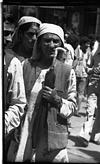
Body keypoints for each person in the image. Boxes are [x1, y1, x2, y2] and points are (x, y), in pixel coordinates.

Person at [15, 23, 77, 162]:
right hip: (25, 134)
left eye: (56, 41)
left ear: (61, 44)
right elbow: (16, 100)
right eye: (47, 40)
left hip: (51, 140)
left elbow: (73, 107)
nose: (51, 45)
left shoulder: (68, 72)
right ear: (39, 43)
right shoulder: (26, 66)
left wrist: (58, 100)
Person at [77, 40, 100, 147]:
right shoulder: (94, 52)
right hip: (93, 85)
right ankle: (84, 135)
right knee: (90, 110)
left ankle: (95, 136)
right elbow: (87, 67)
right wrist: (92, 70)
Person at [73, 36, 91, 117]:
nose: (88, 46)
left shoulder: (88, 52)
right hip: (75, 73)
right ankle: (73, 109)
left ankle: (76, 110)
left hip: (83, 75)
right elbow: (75, 60)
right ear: (82, 44)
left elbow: (89, 63)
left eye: (88, 44)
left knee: (80, 94)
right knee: (74, 92)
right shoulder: (78, 50)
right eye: (87, 44)